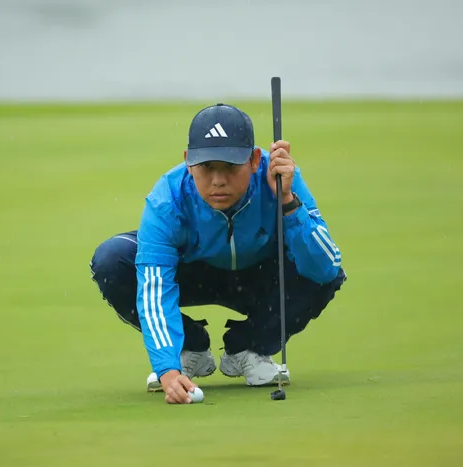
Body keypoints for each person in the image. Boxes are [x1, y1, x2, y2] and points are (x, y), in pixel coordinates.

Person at [90, 103, 347, 405]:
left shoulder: (280, 177)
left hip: (261, 277)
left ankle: (248, 347)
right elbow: (154, 289)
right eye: (207, 167)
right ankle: (189, 349)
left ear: (254, 160)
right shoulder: (167, 198)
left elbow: (325, 268)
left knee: (322, 266)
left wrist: (288, 202)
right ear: (188, 163)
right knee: (112, 259)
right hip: (190, 274)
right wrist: (167, 369)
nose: (218, 180)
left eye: (230, 166)